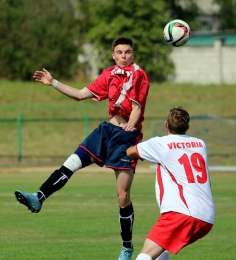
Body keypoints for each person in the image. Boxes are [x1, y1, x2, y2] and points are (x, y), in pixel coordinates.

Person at [14, 37, 150, 260]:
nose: (124, 56)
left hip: (125, 138)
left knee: (122, 196)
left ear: (133, 54)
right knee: (71, 163)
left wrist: (131, 125)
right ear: (113, 55)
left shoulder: (139, 74)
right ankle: (39, 197)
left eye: (127, 52)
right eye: (119, 52)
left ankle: (127, 246)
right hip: (105, 132)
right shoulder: (108, 74)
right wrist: (53, 82)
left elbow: (137, 106)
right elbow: (79, 94)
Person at [126, 106, 215, 260]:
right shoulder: (200, 144)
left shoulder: (161, 144)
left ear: (166, 125)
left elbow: (130, 152)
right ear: (187, 127)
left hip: (182, 212)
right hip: (207, 217)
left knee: (145, 255)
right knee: (161, 250)